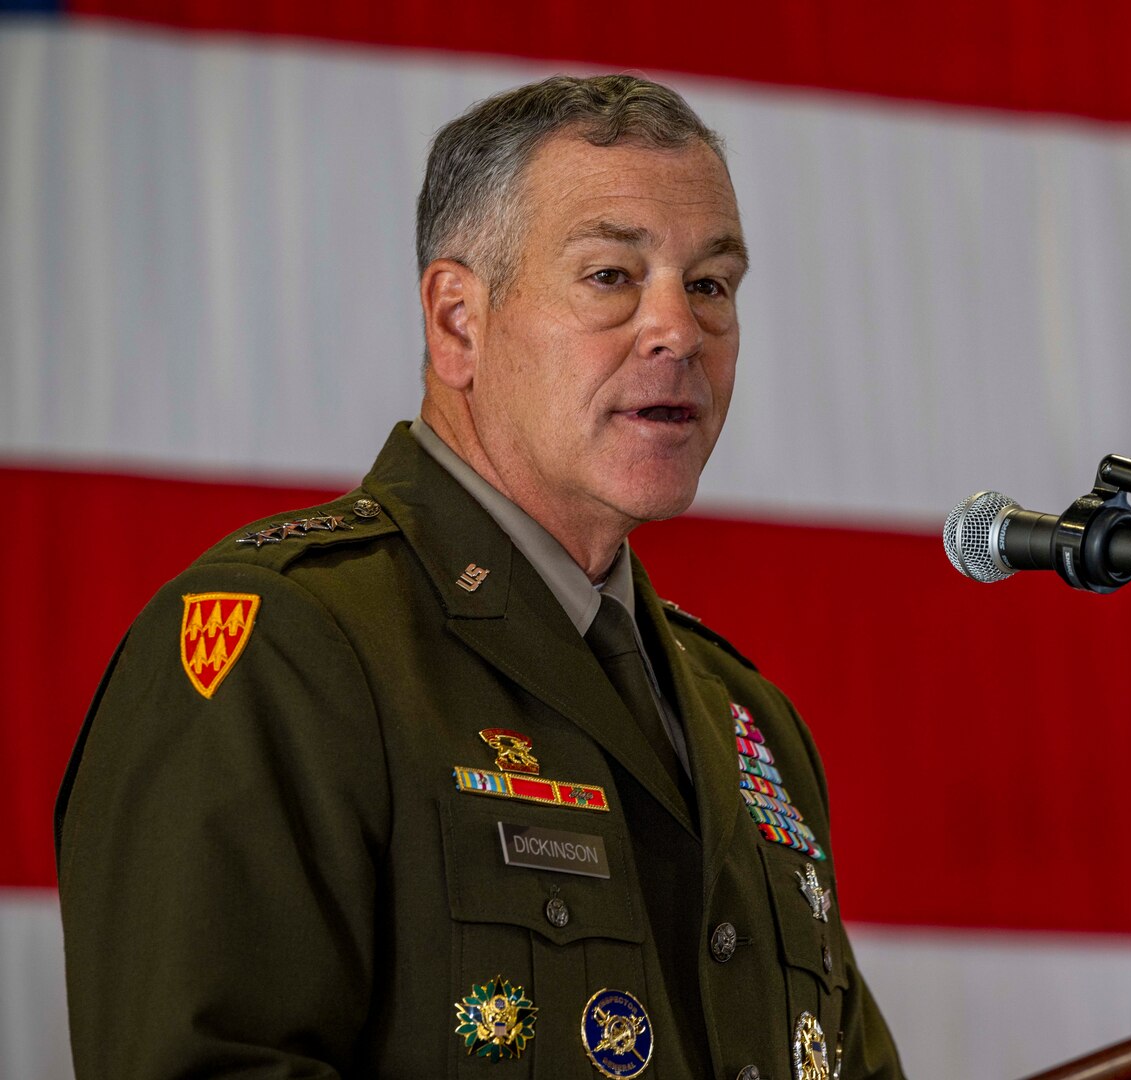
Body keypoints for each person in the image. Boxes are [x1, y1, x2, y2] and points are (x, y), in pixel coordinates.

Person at [56, 74, 905, 1080]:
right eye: (611, 275)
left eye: (711, 284)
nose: (680, 330)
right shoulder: (288, 649)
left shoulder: (744, 718)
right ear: (458, 320)